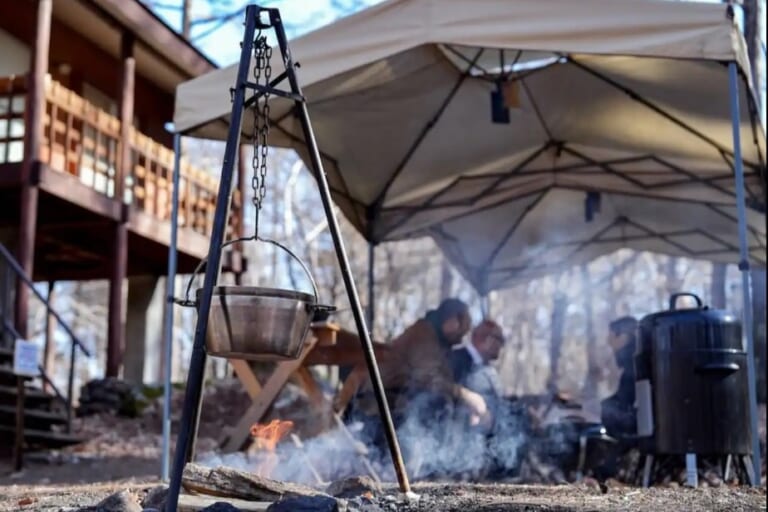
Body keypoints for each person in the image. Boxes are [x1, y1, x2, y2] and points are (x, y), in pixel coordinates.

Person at [340, 299, 491, 473]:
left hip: (395, 400)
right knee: (434, 403)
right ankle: (396, 466)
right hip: (378, 402)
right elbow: (430, 379)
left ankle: (420, 467)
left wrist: (464, 404)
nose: (463, 336)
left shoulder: (438, 340)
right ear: (451, 321)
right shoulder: (423, 335)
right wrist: (466, 396)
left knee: (441, 404)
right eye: (463, 327)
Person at [600, 316, 639, 440]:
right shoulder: (635, 363)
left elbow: (625, 404)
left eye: (611, 337)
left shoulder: (636, 365)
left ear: (623, 337)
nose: (608, 342)